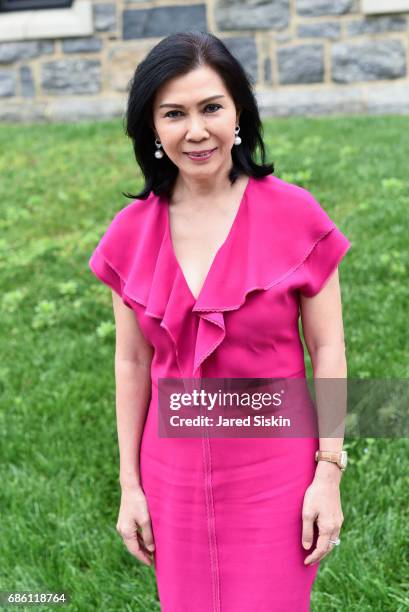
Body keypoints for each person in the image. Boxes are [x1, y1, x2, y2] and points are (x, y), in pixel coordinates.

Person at [88, 30, 351, 612]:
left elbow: (328, 349)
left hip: (275, 474)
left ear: (239, 113)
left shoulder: (295, 214)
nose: (197, 130)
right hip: (172, 480)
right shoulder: (131, 232)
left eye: (212, 107)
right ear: (152, 129)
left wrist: (327, 474)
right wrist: (130, 487)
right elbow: (131, 361)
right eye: (174, 113)